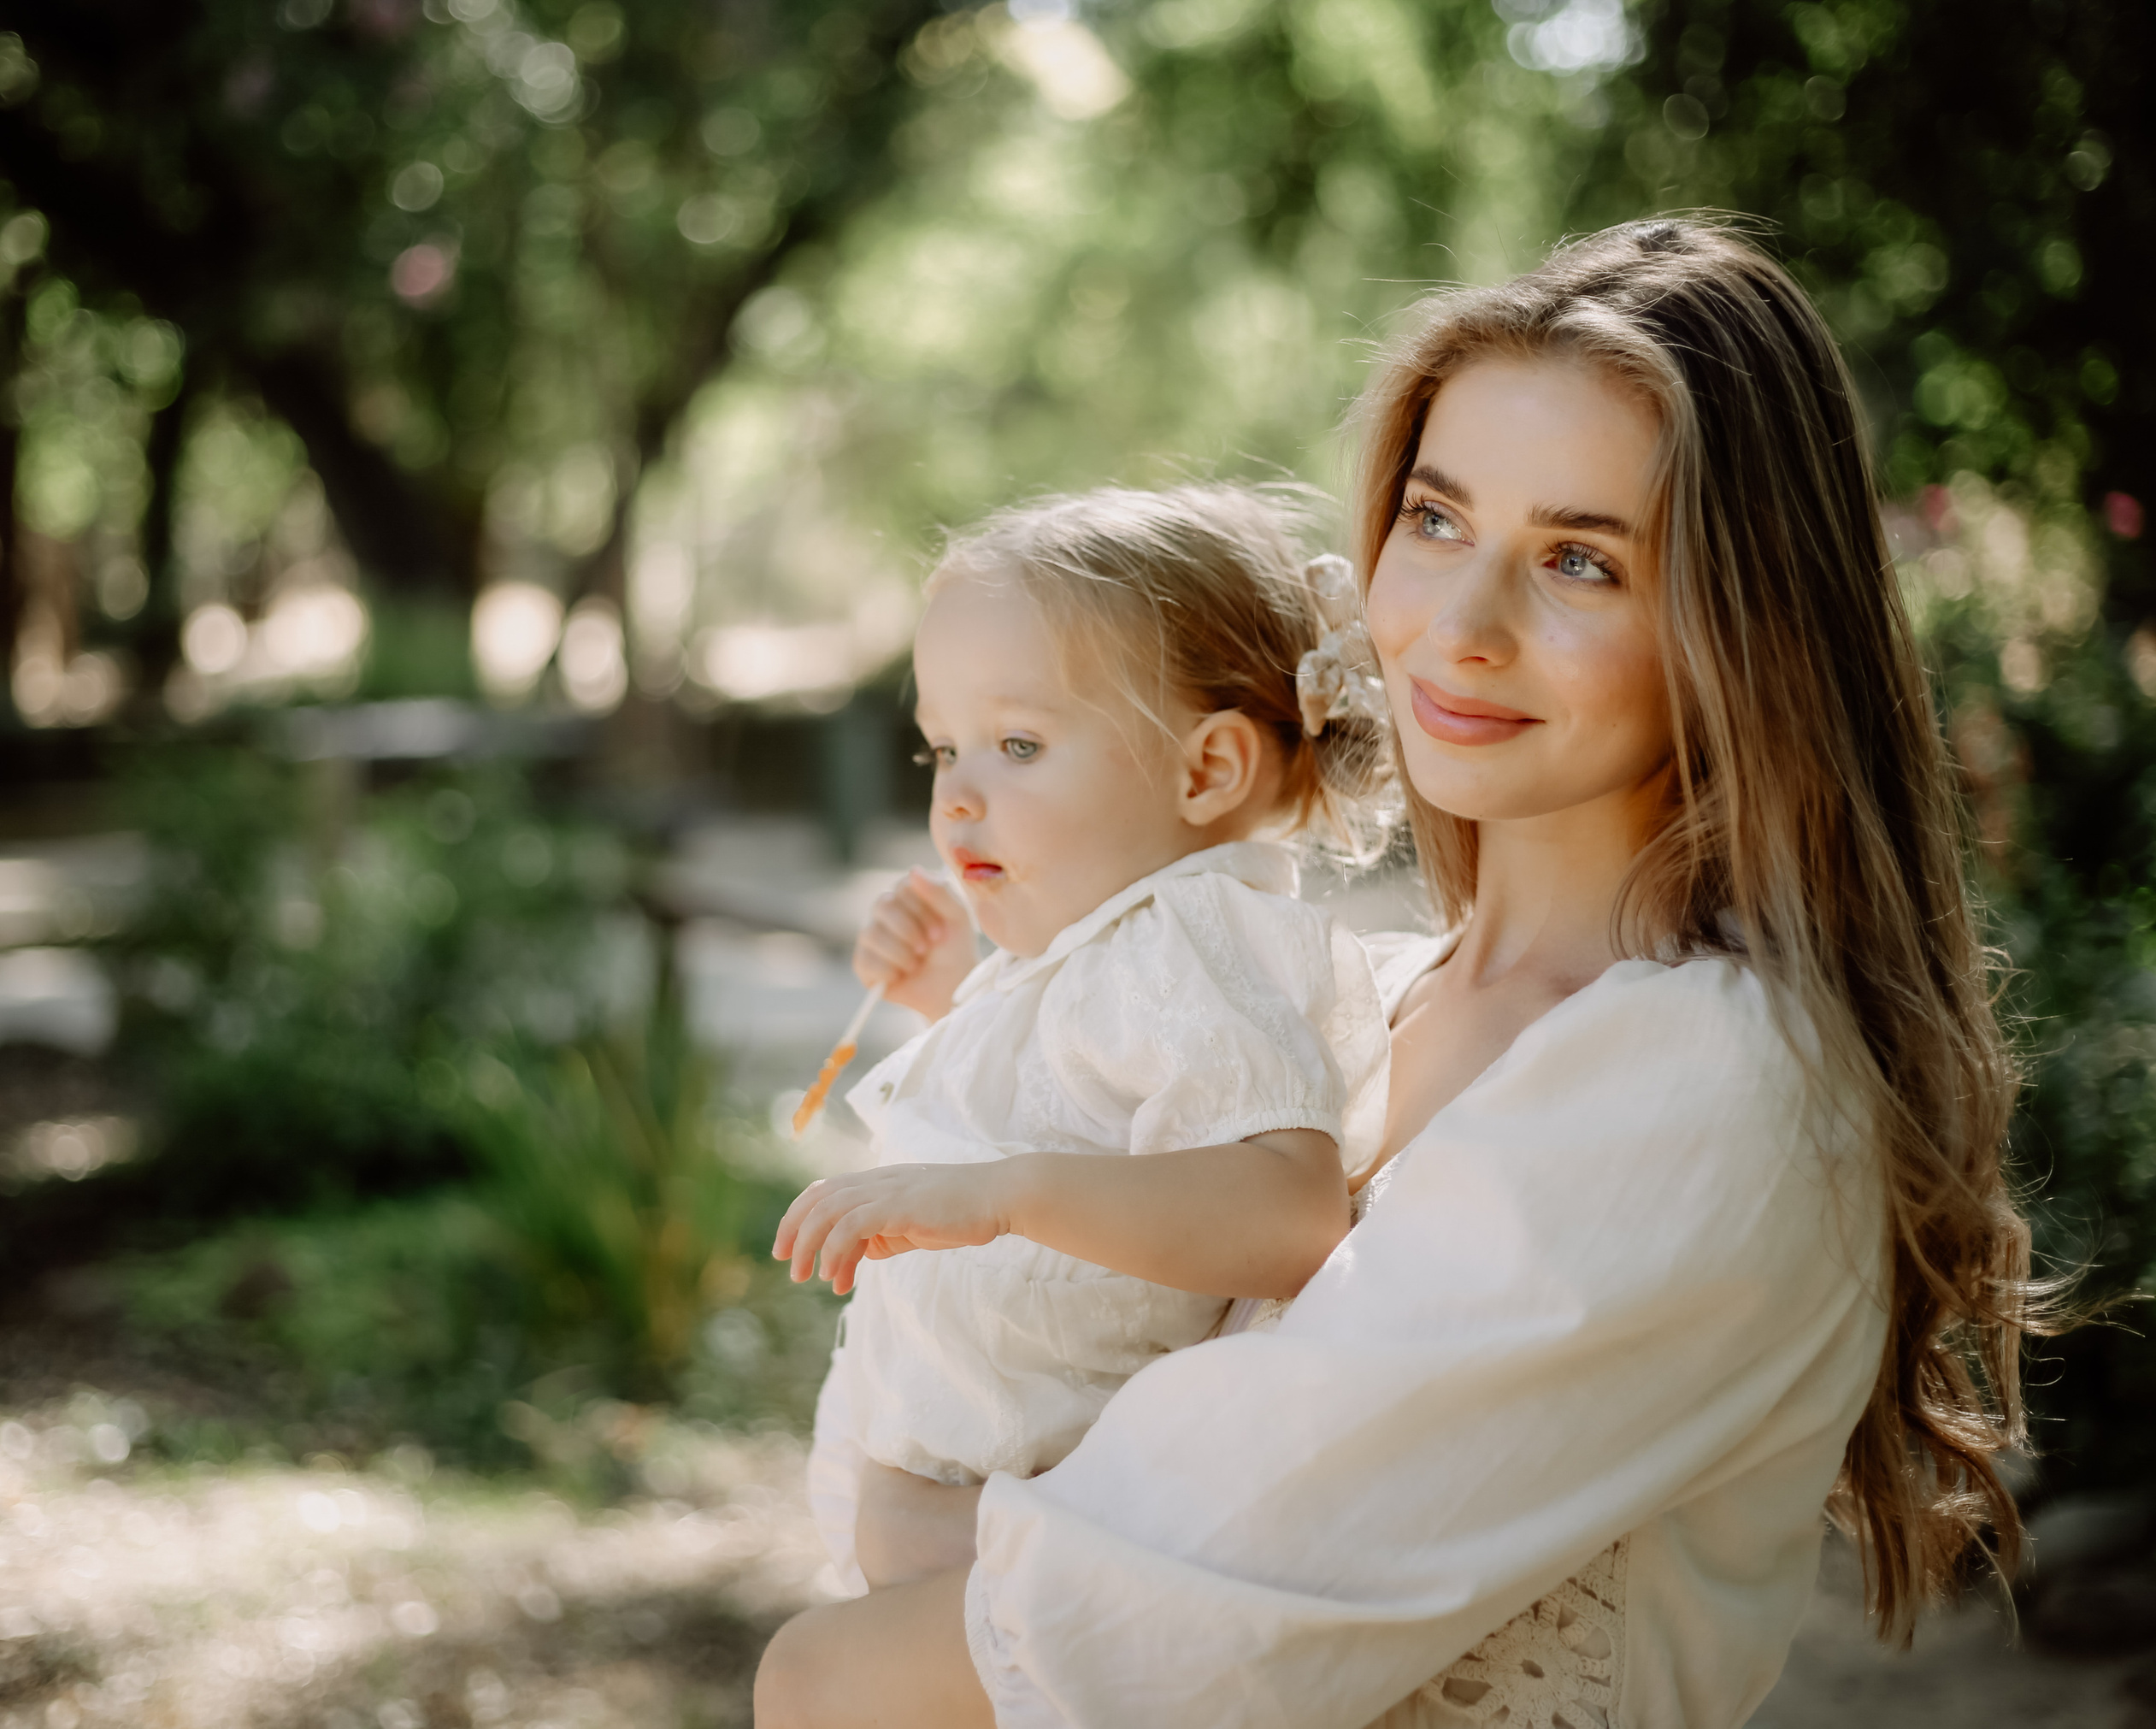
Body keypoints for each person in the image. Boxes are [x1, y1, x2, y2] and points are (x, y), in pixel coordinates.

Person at [755, 219, 2039, 1729]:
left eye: (1579, 560)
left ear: (1741, 626)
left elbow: (1098, 1625)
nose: (1458, 628)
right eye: (1435, 519)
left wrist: (895, 1577)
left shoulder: (1706, 1078)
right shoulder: (1350, 999)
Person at [775, 484, 1399, 1597]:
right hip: (981, 1520)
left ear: (1205, 771)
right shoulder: (1114, 948)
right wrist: (948, 999)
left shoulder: (1190, 940)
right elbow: (1078, 1109)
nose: (956, 798)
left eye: (1017, 744)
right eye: (941, 750)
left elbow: (1290, 1212)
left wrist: (1003, 1195)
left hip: (1058, 1532)